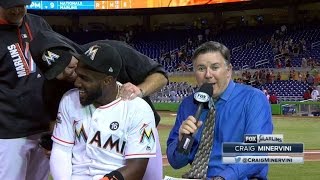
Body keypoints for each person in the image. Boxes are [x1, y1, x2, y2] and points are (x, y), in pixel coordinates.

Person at [30, 30, 167, 179]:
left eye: (69, 67)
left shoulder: (113, 52)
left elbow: (160, 75)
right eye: (58, 73)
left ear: (73, 52)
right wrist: (55, 145)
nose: (69, 76)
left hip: (138, 131)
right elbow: (58, 136)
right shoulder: (58, 90)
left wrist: (139, 91)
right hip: (86, 140)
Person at [166, 41, 273, 179]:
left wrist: (223, 178)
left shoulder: (253, 99)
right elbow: (176, 162)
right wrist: (182, 141)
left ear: (228, 71)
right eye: (201, 68)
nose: (208, 74)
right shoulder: (188, 104)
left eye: (215, 67)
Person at [0, 0, 53, 179]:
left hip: (44, 127)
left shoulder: (38, 23)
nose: (17, 10)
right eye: (11, 6)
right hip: (9, 133)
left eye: (21, 5)